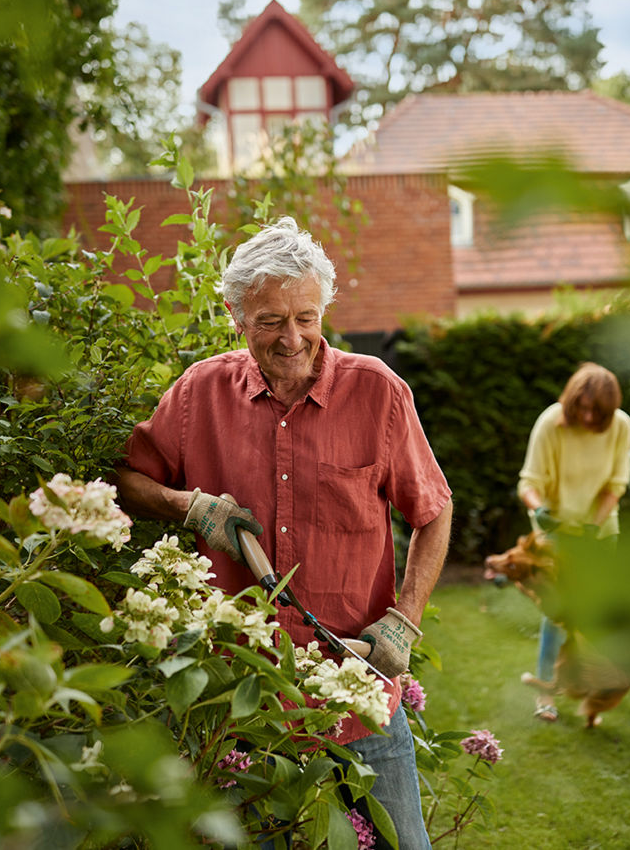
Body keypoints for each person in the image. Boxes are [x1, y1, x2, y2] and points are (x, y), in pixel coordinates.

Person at [115, 216, 452, 849]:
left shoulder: (378, 392)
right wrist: (187, 507)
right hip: (244, 699)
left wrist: (404, 620)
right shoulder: (197, 395)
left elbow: (433, 512)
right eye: (270, 320)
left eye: (306, 317)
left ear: (324, 307)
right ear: (234, 314)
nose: (292, 338)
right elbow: (131, 479)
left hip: (357, 691)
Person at [515, 362, 630, 722]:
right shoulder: (551, 423)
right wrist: (543, 511)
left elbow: (616, 485)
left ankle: (595, 688)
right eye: (580, 407)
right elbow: (528, 484)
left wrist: (594, 528)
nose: (586, 415)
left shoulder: (620, 426)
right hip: (556, 535)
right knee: (558, 615)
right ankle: (545, 694)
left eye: (595, 411)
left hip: (599, 532)